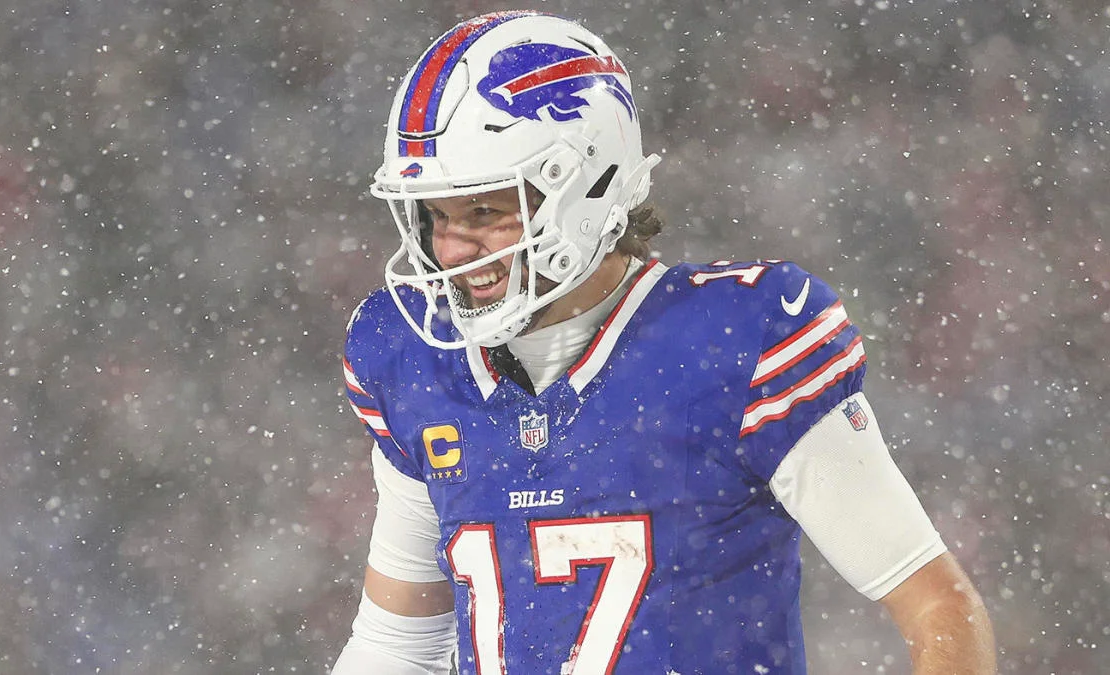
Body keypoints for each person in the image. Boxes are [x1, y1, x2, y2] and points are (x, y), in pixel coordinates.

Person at [332, 11, 995, 674]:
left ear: (587, 187)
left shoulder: (732, 343)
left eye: (485, 210)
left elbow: (939, 608)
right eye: (437, 215)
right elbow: (398, 647)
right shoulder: (417, 363)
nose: (451, 249)